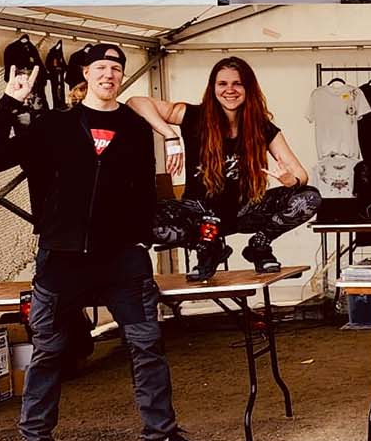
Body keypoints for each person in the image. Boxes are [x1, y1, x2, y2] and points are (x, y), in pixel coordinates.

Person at [0, 44, 212, 441]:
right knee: (48, 353)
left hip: (123, 259)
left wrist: (145, 238)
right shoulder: (53, 125)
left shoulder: (135, 127)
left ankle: (161, 439)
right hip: (61, 260)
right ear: (84, 74)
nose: (110, 74)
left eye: (117, 68)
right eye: (101, 67)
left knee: (147, 347)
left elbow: (143, 187)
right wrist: (8, 103)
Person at [128, 57, 319, 278]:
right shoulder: (193, 116)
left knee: (309, 197)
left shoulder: (262, 127)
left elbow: (301, 175)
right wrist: (169, 135)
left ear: (248, 88)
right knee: (140, 218)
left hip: (243, 210)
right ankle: (209, 247)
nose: (230, 90)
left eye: (237, 83)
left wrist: (290, 180)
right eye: (222, 84)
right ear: (213, 88)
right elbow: (135, 102)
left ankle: (259, 244)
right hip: (199, 214)